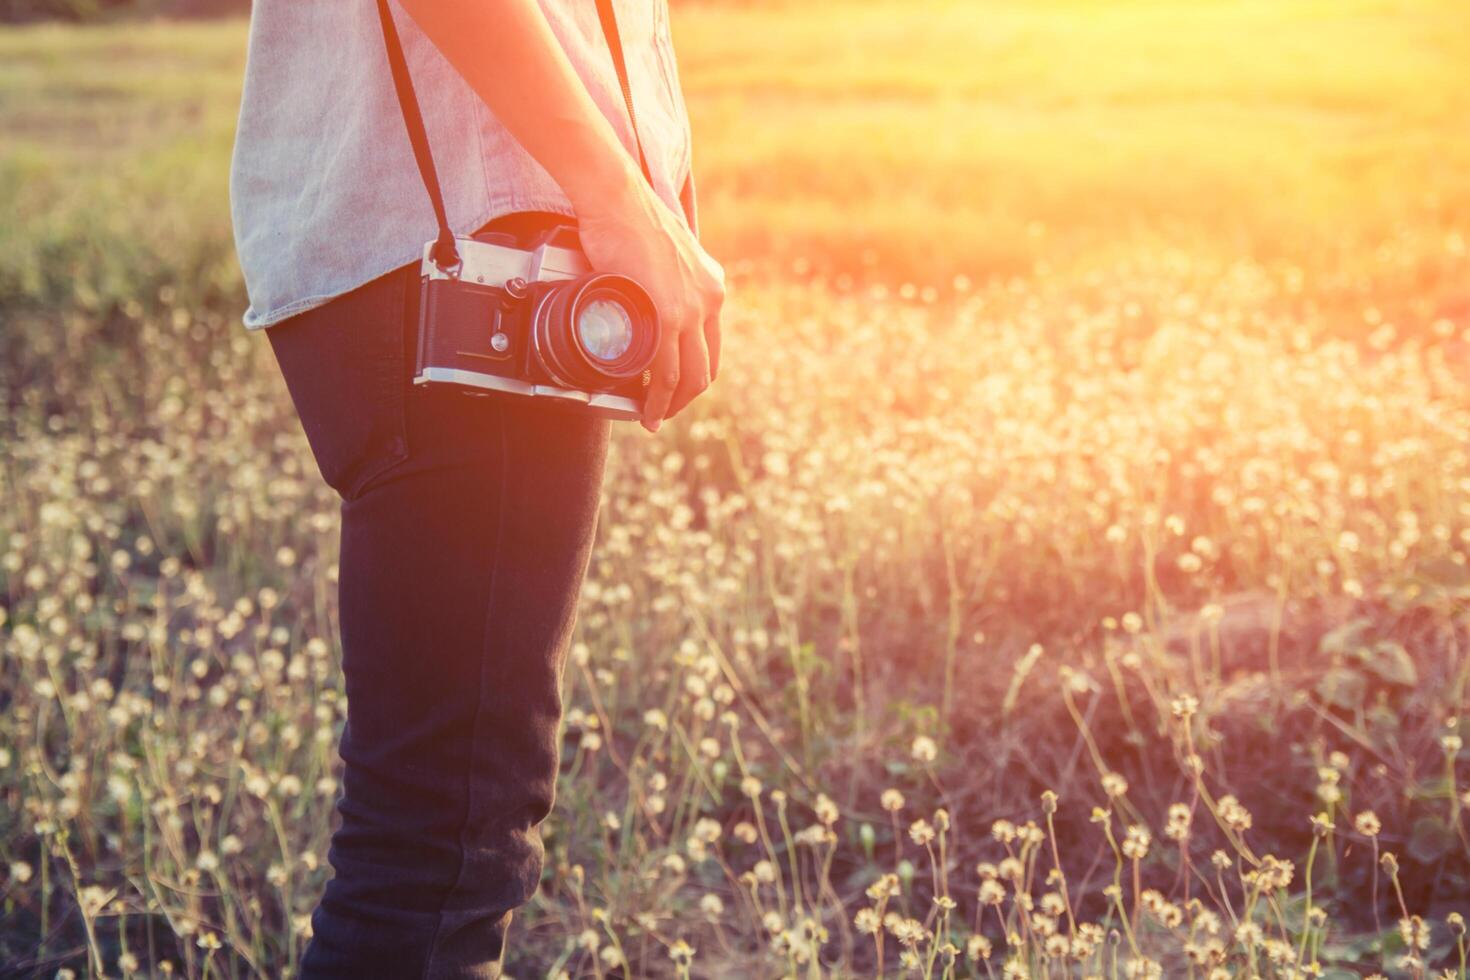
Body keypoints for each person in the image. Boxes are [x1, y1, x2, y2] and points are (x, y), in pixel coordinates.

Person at [228, 1, 724, 976]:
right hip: (476, 244)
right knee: (439, 859)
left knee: (440, 841)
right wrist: (617, 194)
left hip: (458, 229)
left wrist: (653, 189)